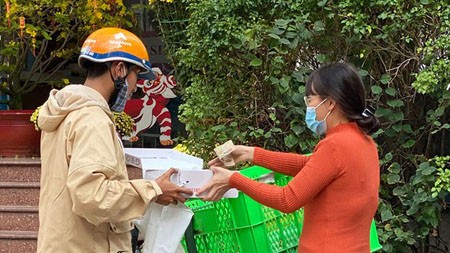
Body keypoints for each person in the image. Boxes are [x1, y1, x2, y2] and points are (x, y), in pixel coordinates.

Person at [36, 27, 192, 253]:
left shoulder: (66, 112)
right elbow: (92, 197)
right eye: (136, 75)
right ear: (119, 69)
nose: (135, 87)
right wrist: (154, 190)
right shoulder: (93, 120)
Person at [199, 62, 381, 252]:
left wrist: (233, 179)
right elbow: (310, 166)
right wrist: (249, 153)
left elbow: (287, 200)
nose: (309, 107)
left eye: (310, 100)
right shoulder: (364, 141)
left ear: (330, 102)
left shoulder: (335, 145)